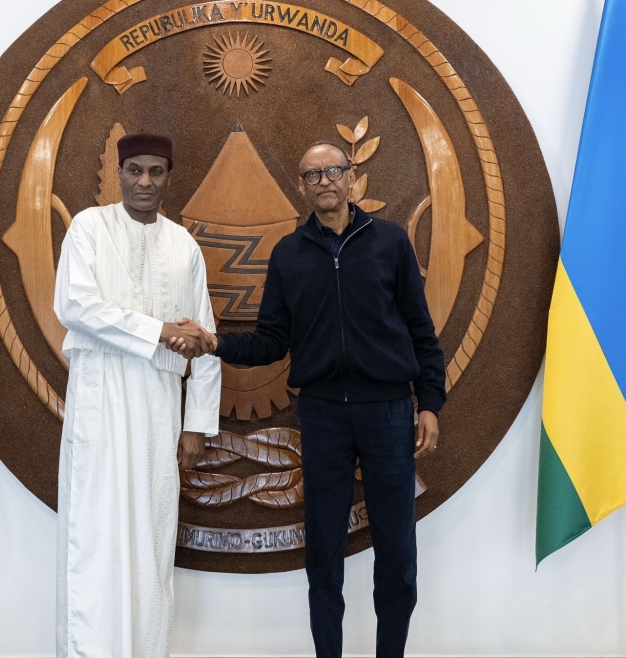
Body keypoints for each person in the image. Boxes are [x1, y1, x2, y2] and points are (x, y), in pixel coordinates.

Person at [169, 142, 445, 658]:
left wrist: (428, 402)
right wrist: (214, 342)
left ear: (351, 176)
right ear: (302, 187)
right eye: (312, 174)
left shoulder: (390, 242)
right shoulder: (288, 254)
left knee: (397, 555)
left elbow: (421, 331)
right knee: (323, 555)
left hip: (388, 414)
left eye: (333, 170)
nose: (324, 180)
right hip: (322, 416)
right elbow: (271, 342)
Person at [53, 132, 219, 658]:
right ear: (120, 174)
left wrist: (197, 422)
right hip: (101, 400)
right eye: (134, 171)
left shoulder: (184, 244)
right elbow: (75, 306)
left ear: (168, 177)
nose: (145, 182)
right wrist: (159, 331)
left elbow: (205, 338)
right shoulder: (89, 227)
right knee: (96, 535)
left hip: (158, 404)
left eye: (156, 171)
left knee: (151, 537)